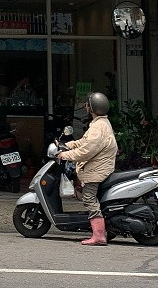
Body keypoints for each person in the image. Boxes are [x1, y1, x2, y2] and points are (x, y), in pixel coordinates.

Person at [56, 92, 118, 246]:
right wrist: (67, 145)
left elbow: (86, 151)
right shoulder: (100, 123)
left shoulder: (98, 127)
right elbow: (84, 142)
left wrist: (65, 155)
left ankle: (99, 235)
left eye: (87, 104)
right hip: (100, 166)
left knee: (89, 198)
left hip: (97, 170)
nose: (85, 106)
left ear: (91, 107)